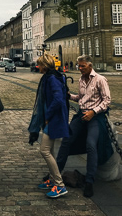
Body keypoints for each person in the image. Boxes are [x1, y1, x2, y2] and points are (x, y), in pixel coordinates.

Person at [56, 55, 111, 198]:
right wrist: (69, 96)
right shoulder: (81, 79)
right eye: (78, 66)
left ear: (90, 65)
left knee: (91, 144)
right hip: (81, 115)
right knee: (66, 140)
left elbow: (107, 101)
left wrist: (93, 112)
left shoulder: (100, 79)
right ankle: (55, 174)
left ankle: (89, 181)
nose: (80, 68)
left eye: (82, 66)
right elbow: (81, 98)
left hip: (95, 117)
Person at [30, 54, 71, 198]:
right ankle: (52, 180)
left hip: (53, 119)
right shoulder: (50, 76)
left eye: (40, 64)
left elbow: (58, 99)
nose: (38, 67)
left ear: (45, 65)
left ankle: (59, 185)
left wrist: (48, 115)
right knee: (51, 151)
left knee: (45, 150)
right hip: (51, 118)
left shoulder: (52, 78)